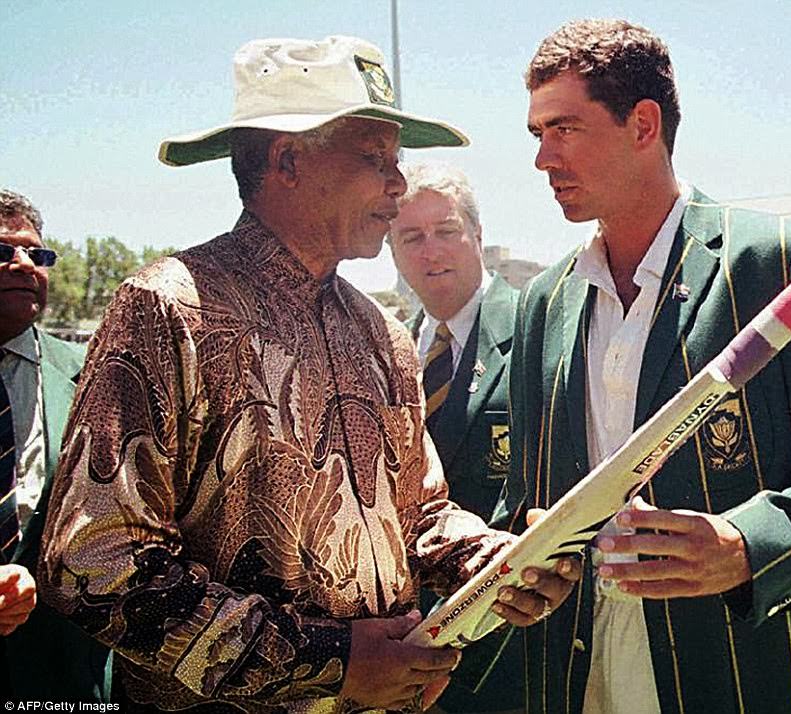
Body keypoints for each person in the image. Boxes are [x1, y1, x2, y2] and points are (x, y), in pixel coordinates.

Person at [38, 37, 576, 712]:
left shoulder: (381, 334)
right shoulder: (170, 309)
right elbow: (94, 563)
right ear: (287, 159)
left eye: (396, 161)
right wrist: (331, 662)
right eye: (373, 157)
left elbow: (421, 512)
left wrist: (493, 563)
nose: (398, 185)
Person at [504, 19, 791, 714]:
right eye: (537, 134)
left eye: (563, 129)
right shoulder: (542, 302)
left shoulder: (777, 261)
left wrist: (747, 544)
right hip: (578, 676)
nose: (543, 159)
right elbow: (523, 503)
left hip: (747, 674)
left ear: (643, 124)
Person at [388, 163, 522, 714]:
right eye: (411, 237)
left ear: (477, 236)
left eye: (446, 231)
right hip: (406, 652)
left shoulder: (537, 330)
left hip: (506, 649)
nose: (431, 251)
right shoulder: (387, 348)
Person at [0, 189, 112, 700]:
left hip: (61, 675)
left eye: (37, 254)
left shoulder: (92, 373)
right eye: (4, 251)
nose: (24, 264)